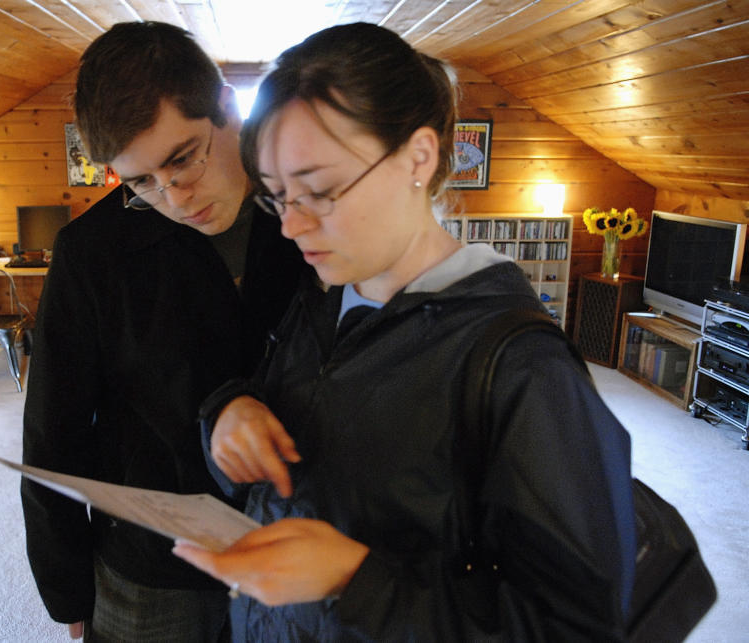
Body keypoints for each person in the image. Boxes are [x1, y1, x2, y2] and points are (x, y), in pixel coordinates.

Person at [173, 22, 636, 641]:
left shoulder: (522, 368)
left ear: (418, 157)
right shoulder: (320, 298)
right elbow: (287, 418)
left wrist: (354, 579)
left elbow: (577, 625)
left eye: (318, 191)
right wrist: (229, 411)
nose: (291, 226)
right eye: (279, 197)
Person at [21, 22, 303, 642]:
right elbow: (52, 435)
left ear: (229, 106)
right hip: (154, 568)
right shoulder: (90, 253)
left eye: (183, 158)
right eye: (141, 181)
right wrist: (66, 591)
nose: (174, 196)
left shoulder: (308, 212)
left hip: (300, 543)